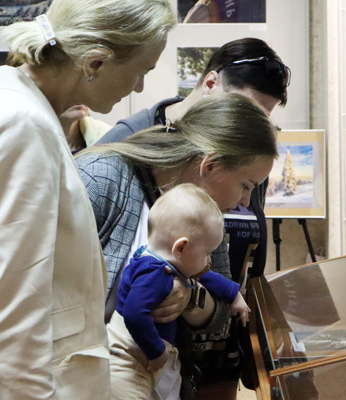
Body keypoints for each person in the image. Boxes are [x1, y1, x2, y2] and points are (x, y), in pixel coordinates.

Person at [95, 37, 290, 399]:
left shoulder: (205, 205)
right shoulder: (105, 176)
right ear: (210, 165)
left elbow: (219, 309)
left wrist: (189, 298)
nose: (246, 201)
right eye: (245, 185)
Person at [0, 0, 175, 398]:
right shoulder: (26, 124)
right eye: (142, 71)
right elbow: (13, 308)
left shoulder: (22, 105)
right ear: (95, 63)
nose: (139, 87)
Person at [108, 183, 250, 399]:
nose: (209, 260)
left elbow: (206, 275)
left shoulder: (166, 260)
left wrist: (235, 296)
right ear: (181, 248)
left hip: (147, 357)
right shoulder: (154, 275)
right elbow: (134, 315)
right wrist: (156, 351)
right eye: (207, 253)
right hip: (130, 359)